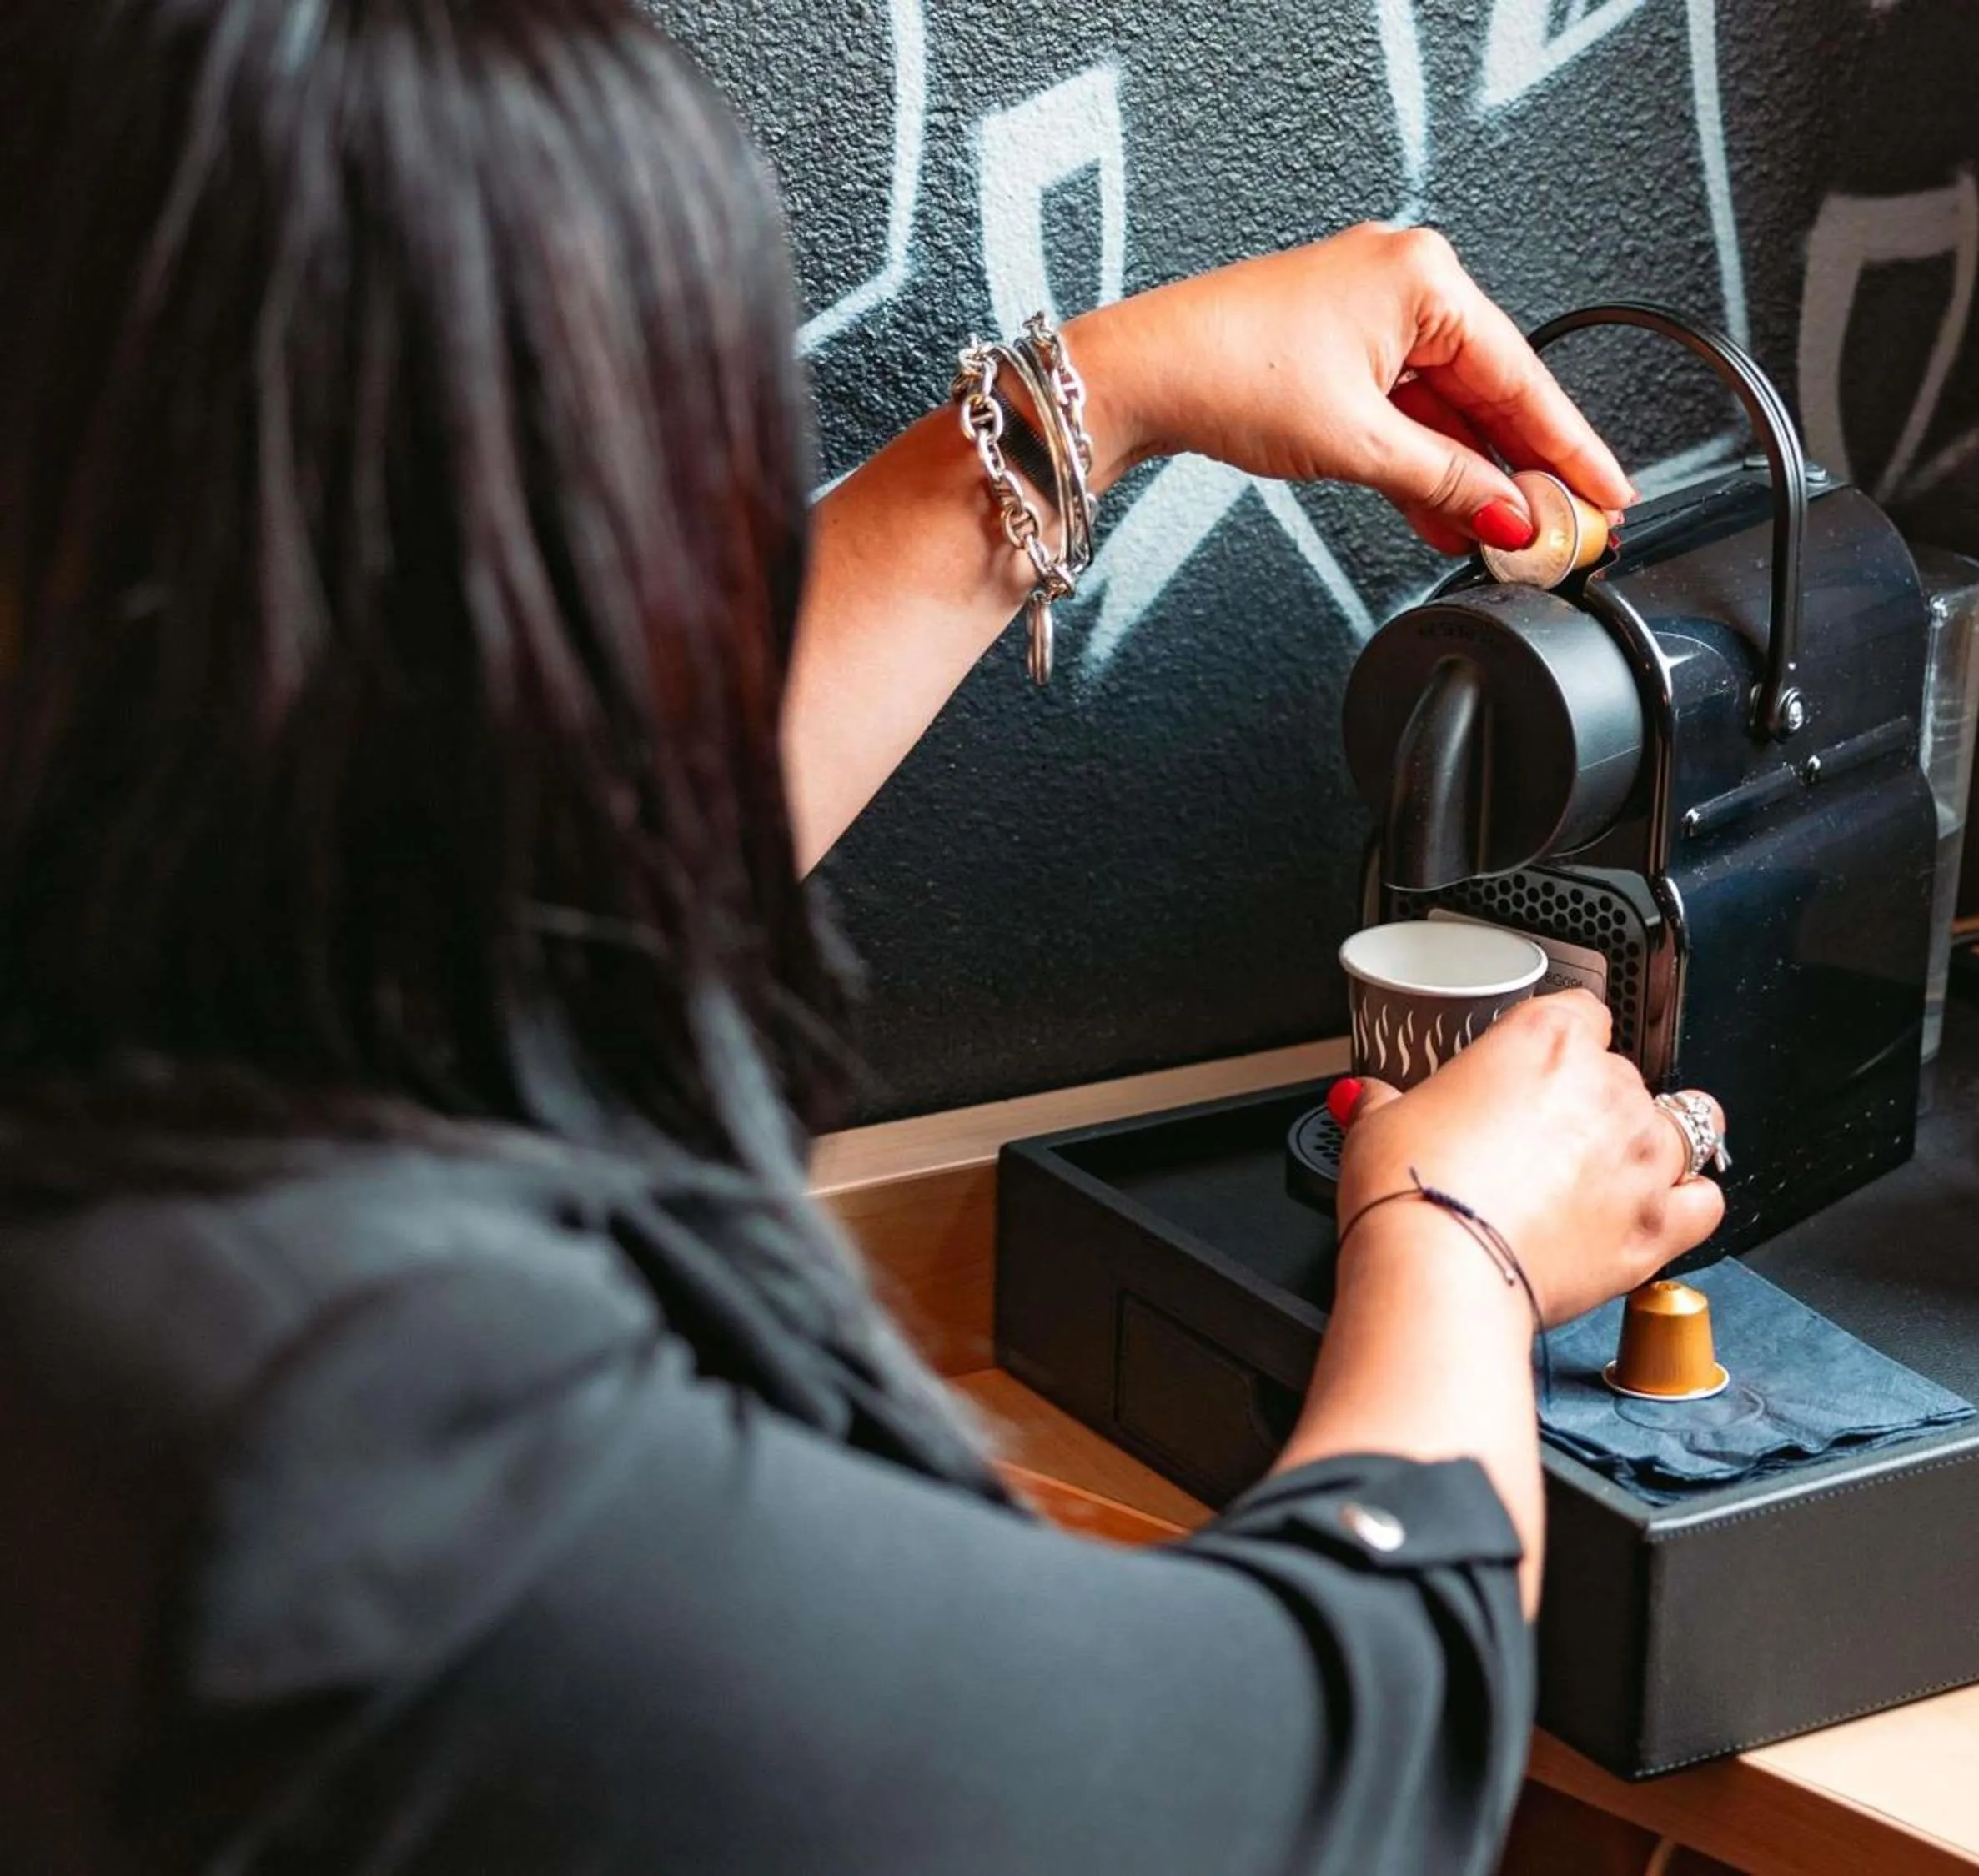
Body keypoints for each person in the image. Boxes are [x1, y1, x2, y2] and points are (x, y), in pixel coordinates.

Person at [0, 3, 1728, 1871]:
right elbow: (1302, 1769)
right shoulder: (344, 1458)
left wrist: (1108, 391)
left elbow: (539, 902)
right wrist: (1459, 1245)